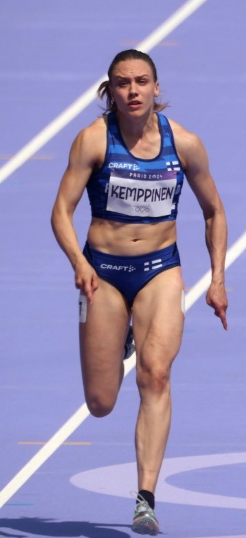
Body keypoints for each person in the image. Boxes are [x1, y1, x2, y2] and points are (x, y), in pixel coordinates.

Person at [50, 49, 228, 535]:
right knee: (101, 402)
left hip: (159, 272)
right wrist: (80, 263)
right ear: (110, 91)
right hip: (103, 274)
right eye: (122, 83)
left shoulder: (184, 143)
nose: (132, 91)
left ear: (155, 89)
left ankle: (146, 497)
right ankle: (120, 331)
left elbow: (214, 211)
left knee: (155, 375)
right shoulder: (93, 141)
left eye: (141, 82)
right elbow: (60, 212)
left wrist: (216, 279)